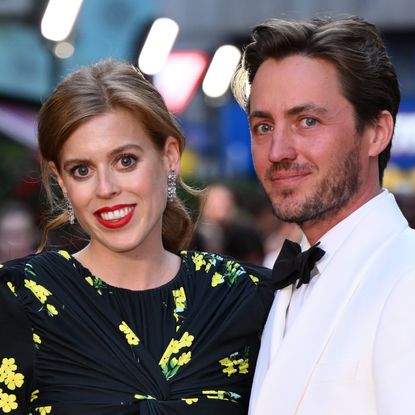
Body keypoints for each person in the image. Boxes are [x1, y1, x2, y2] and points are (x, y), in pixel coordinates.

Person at [0, 60, 274, 415]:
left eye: (125, 161)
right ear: (62, 181)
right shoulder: (17, 300)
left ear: (170, 157)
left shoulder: (246, 297)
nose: (106, 188)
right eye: (82, 170)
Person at [232, 15, 415, 415]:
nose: (278, 150)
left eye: (307, 121)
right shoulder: (288, 278)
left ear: (377, 132)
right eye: (263, 126)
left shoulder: (408, 279)